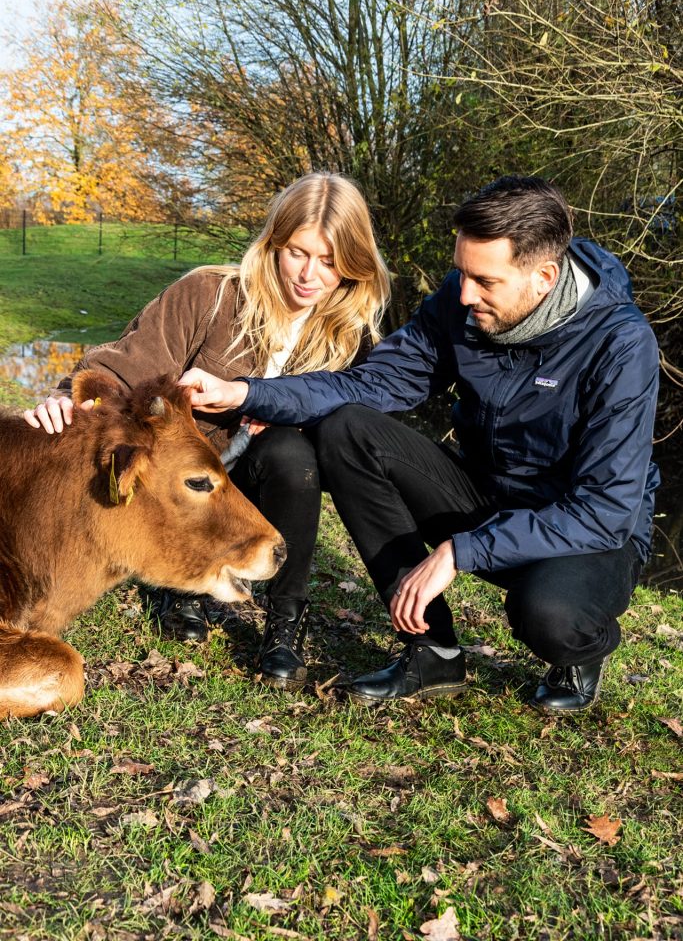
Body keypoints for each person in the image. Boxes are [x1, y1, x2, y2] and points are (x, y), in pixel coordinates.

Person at [177, 176, 660, 714]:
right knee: (347, 427)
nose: (464, 294)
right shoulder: (460, 304)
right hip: (486, 493)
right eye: (461, 271)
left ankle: (582, 652)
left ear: (543, 277)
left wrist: (462, 550)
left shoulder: (621, 344)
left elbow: (605, 509)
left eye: (484, 281)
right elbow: (366, 385)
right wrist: (246, 392)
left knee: (548, 615)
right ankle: (433, 651)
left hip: (584, 528)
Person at [23, 172, 391, 691]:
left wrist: (287, 409)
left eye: (330, 262)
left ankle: (285, 621)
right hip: (198, 468)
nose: (309, 275)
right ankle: (187, 587)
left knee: (291, 455)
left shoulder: (352, 335)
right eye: (297, 253)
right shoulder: (209, 295)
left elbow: (358, 416)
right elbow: (131, 365)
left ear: (353, 264)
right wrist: (68, 399)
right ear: (272, 245)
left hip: (277, 473)